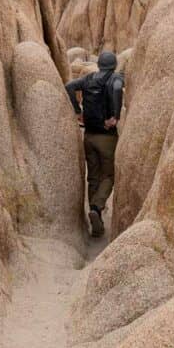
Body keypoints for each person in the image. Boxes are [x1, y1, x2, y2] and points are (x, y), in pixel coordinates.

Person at [65, 51, 124, 237]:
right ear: (114, 65)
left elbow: (69, 86)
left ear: (99, 65)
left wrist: (77, 110)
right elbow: (116, 89)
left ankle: (94, 215)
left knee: (93, 177)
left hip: (88, 135)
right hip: (106, 137)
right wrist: (115, 116)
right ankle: (97, 208)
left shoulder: (89, 78)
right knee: (108, 176)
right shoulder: (114, 78)